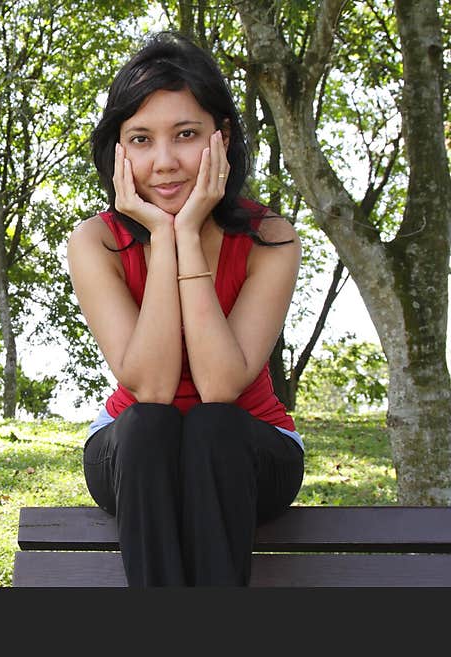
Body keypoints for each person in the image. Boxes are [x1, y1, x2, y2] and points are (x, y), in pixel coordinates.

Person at [66, 31, 305, 587]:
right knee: (150, 424)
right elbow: (149, 385)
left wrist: (188, 232)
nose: (166, 162)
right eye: (142, 139)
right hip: (135, 456)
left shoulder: (271, 237)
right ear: (119, 151)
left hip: (247, 450)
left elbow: (221, 384)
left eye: (187, 135)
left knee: (211, 425)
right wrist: (161, 233)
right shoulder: (95, 243)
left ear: (221, 138)